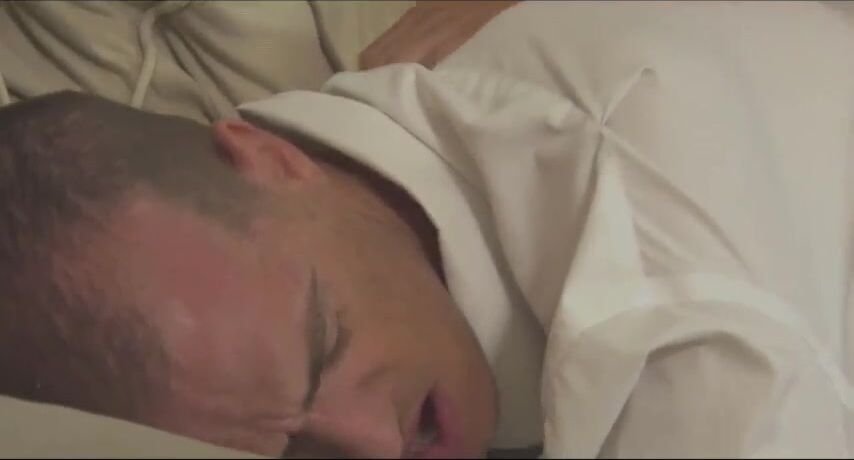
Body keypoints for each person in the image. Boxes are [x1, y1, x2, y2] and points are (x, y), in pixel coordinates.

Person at [2, 1, 854, 458]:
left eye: (325, 341)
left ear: (271, 156)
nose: (377, 446)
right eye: (300, 454)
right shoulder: (425, 115)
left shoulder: (658, 306)